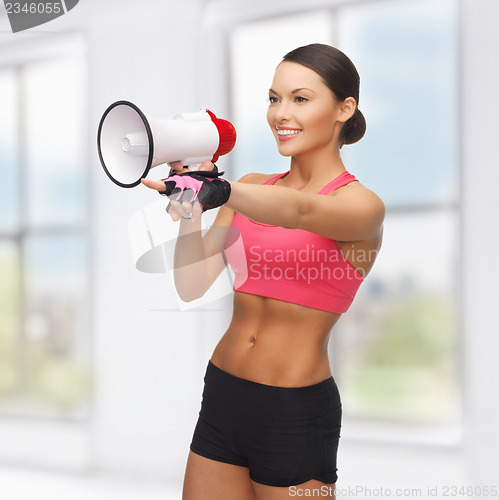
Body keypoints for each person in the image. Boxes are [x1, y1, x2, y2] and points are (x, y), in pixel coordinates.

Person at [141, 43, 385, 500]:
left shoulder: (361, 206)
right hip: (224, 392)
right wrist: (192, 200)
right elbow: (191, 284)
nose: (280, 114)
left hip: (293, 410)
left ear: (344, 108)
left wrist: (220, 189)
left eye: (301, 98)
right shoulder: (252, 187)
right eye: (274, 98)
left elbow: (299, 211)